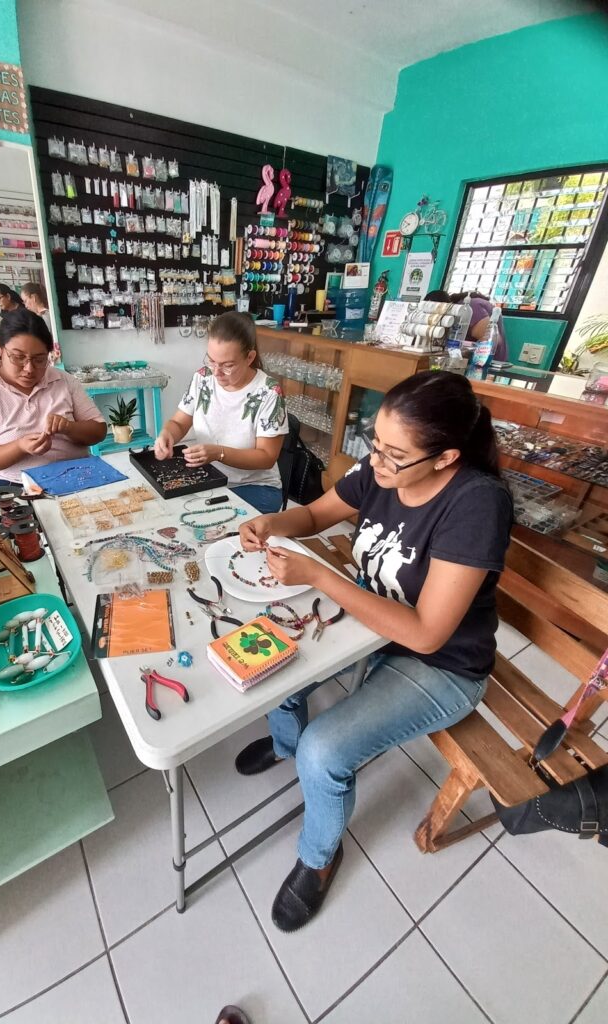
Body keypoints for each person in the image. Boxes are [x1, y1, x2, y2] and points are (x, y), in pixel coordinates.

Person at [234, 370, 513, 932]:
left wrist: (319, 575)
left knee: (324, 752)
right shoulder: (382, 468)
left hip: (441, 664)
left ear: (446, 457)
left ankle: (318, 857)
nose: (376, 462)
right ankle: (284, 744)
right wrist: (271, 522)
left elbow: (427, 634)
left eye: (393, 455)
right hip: (373, 626)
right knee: (269, 658)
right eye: (375, 443)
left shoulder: (476, 504)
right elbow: (315, 515)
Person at [153, 312, 288, 514]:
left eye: (228, 365)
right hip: (210, 478)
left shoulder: (268, 393)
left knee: (204, 519)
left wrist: (219, 453)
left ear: (250, 357)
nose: (216, 372)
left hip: (254, 487)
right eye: (211, 361)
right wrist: (166, 434)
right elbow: (179, 423)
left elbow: (266, 457)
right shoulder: (203, 378)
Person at [0, 309, 106, 489]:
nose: (29, 369)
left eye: (39, 359)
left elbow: (99, 431)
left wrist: (69, 427)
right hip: (15, 484)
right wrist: (19, 447)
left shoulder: (64, 381)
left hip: (76, 475)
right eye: (18, 357)